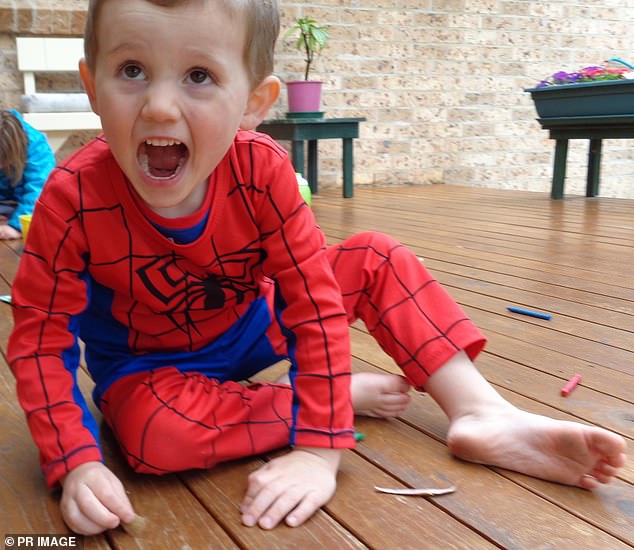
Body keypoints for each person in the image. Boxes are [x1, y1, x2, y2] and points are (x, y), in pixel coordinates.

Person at [7, 0, 626, 536]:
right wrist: (76, 463)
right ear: (91, 85)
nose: (161, 106)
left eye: (199, 75)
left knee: (375, 255)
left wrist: (318, 449)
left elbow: (315, 302)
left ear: (254, 101)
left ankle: (481, 412)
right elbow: (40, 341)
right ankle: (315, 398)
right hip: (151, 369)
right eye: (132, 70)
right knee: (149, 437)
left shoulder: (262, 170)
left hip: (254, 323)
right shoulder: (72, 197)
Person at [0, 109, 55, 239]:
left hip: (22, 205)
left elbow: (39, 189)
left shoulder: (37, 146)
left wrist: (15, 227)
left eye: (3, 160)